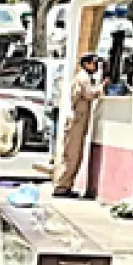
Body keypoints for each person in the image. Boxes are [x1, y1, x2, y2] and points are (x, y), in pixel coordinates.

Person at [54, 52, 103, 198]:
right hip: (76, 120)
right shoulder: (83, 78)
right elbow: (89, 94)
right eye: (94, 63)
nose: (96, 67)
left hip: (79, 120)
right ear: (86, 64)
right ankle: (61, 187)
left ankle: (66, 185)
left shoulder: (85, 77)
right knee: (72, 155)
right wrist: (102, 87)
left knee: (75, 155)